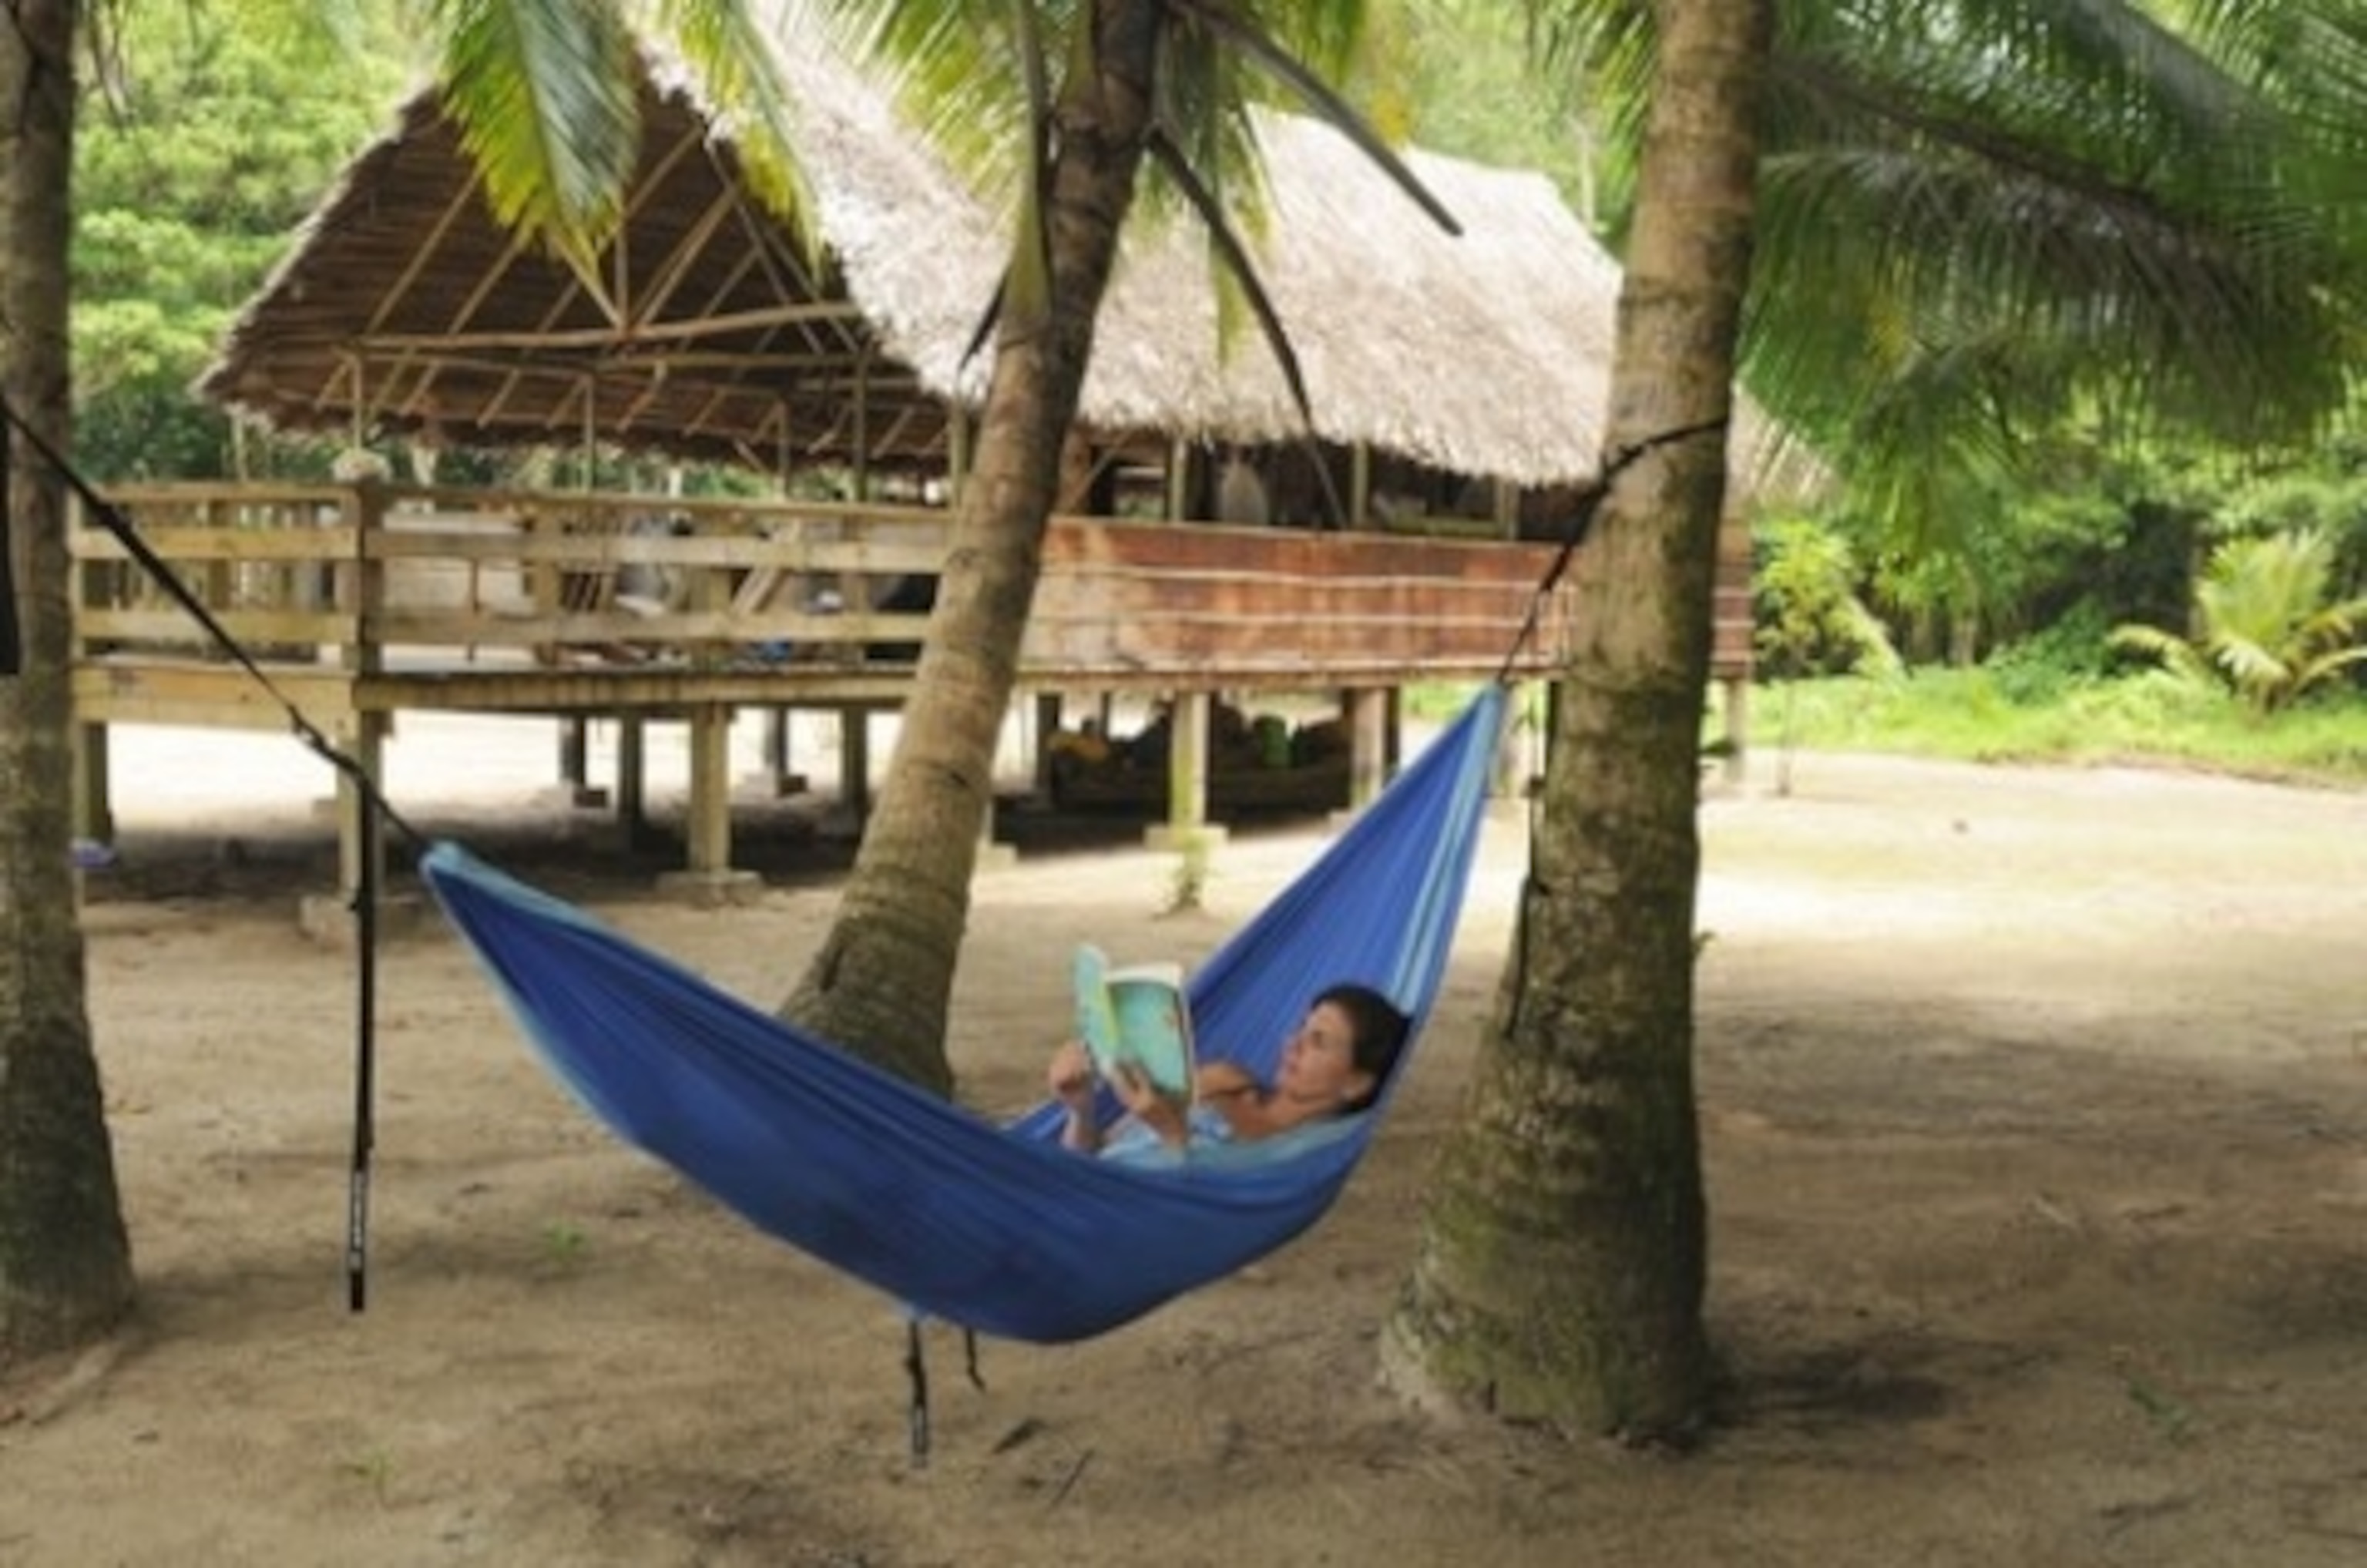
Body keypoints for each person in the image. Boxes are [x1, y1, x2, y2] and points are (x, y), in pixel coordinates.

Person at [1046, 982, 1410, 1161]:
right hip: (1064, 1200)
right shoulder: (1226, 1080)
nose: (1293, 1044)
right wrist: (1080, 1110)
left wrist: (1174, 1135)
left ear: (1356, 1082)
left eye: (1318, 1042)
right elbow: (1088, 1161)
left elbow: (1183, 1221)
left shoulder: (1298, 1155)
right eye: (1301, 1029)